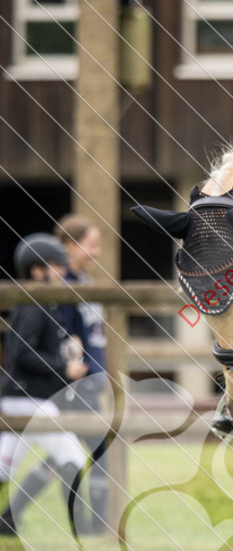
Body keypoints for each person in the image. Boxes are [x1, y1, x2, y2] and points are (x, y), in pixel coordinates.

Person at [0, 233, 88, 536]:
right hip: (31, 398)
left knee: (4, 469)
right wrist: (64, 367)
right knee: (73, 458)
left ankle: (7, 521)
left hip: (23, 397)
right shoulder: (35, 303)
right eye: (56, 266)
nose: (63, 272)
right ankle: (83, 529)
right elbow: (23, 353)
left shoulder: (41, 303)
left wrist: (66, 350)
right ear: (38, 270)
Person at [54, 214, 110, 534]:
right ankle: (90, 525)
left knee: (69, 454)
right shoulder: (63, 287)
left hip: (92, 379)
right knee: (85, 451)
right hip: (74, 383)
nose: (97, 252)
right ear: (69, 246)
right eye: (91, 245)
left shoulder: (86, 282)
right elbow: (62, 336)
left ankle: (8, 517)